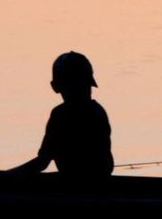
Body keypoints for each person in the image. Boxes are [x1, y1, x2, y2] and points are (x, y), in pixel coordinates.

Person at [10, 51, 114, 180]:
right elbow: (106, 167)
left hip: (76, 188)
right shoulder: (98, 111)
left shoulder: (60, 115)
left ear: (55, 87)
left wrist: (6, 176)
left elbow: (42, 162)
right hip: (98, 185)